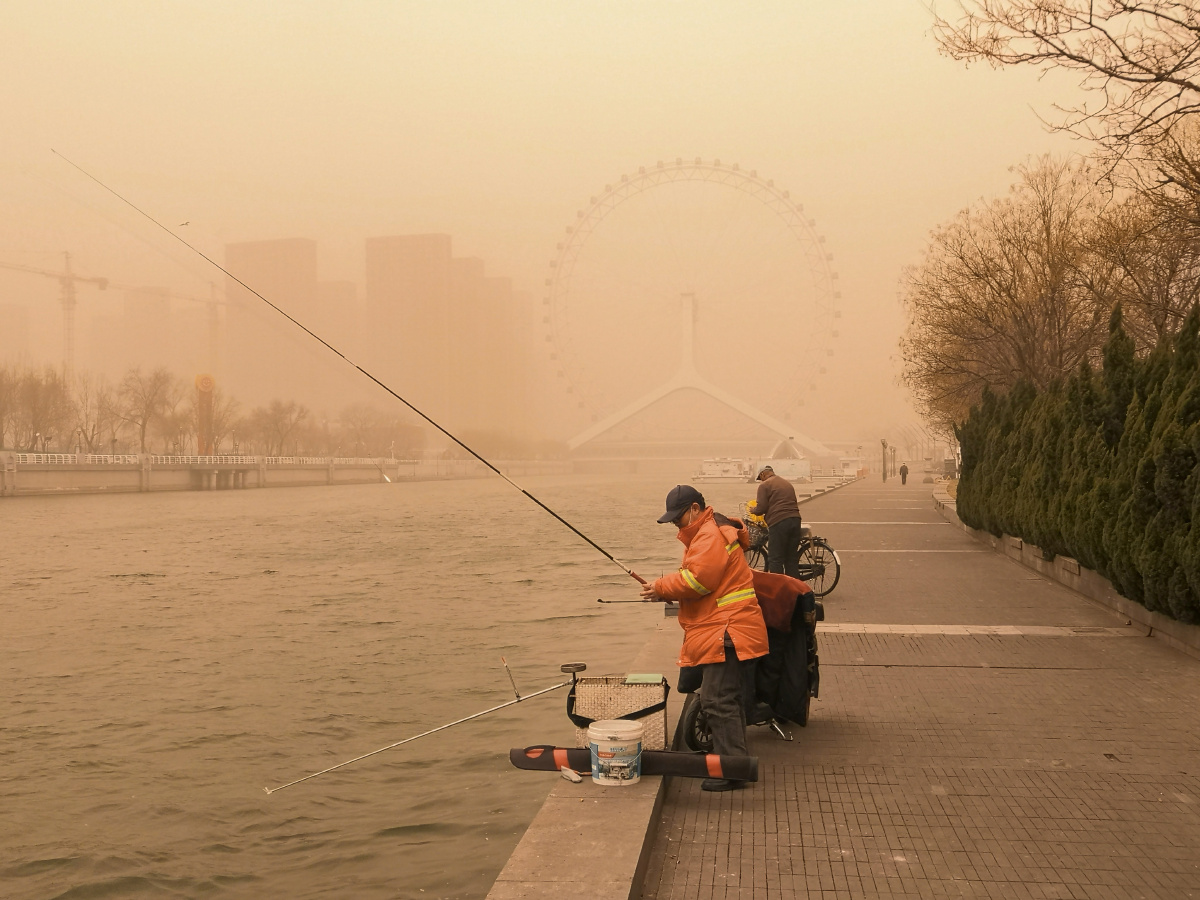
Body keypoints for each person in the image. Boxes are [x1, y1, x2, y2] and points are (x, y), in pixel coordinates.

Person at [641, 484, 769, 792]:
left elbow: (698, 580)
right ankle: (733, 762)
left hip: (727, 629)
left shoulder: (709, 535)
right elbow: (703, 584)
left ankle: (733, 770)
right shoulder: (709, 531)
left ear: (695, 509)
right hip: (729, 627)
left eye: (678, 517)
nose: (675, 523)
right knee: (727, 698)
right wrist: (668, 591)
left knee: (717, 699)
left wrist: (660, 587)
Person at [754, 465, 802, 579]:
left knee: (775, 559)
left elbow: (761, 508)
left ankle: (779, 591)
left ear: (762, 474)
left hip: (779, 521)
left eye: (760, 478)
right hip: (795, 519)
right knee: (791, 559)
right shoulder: (787, 483)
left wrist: (753, 510)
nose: (761, 480)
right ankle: (795, 591)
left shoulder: (764, 485)